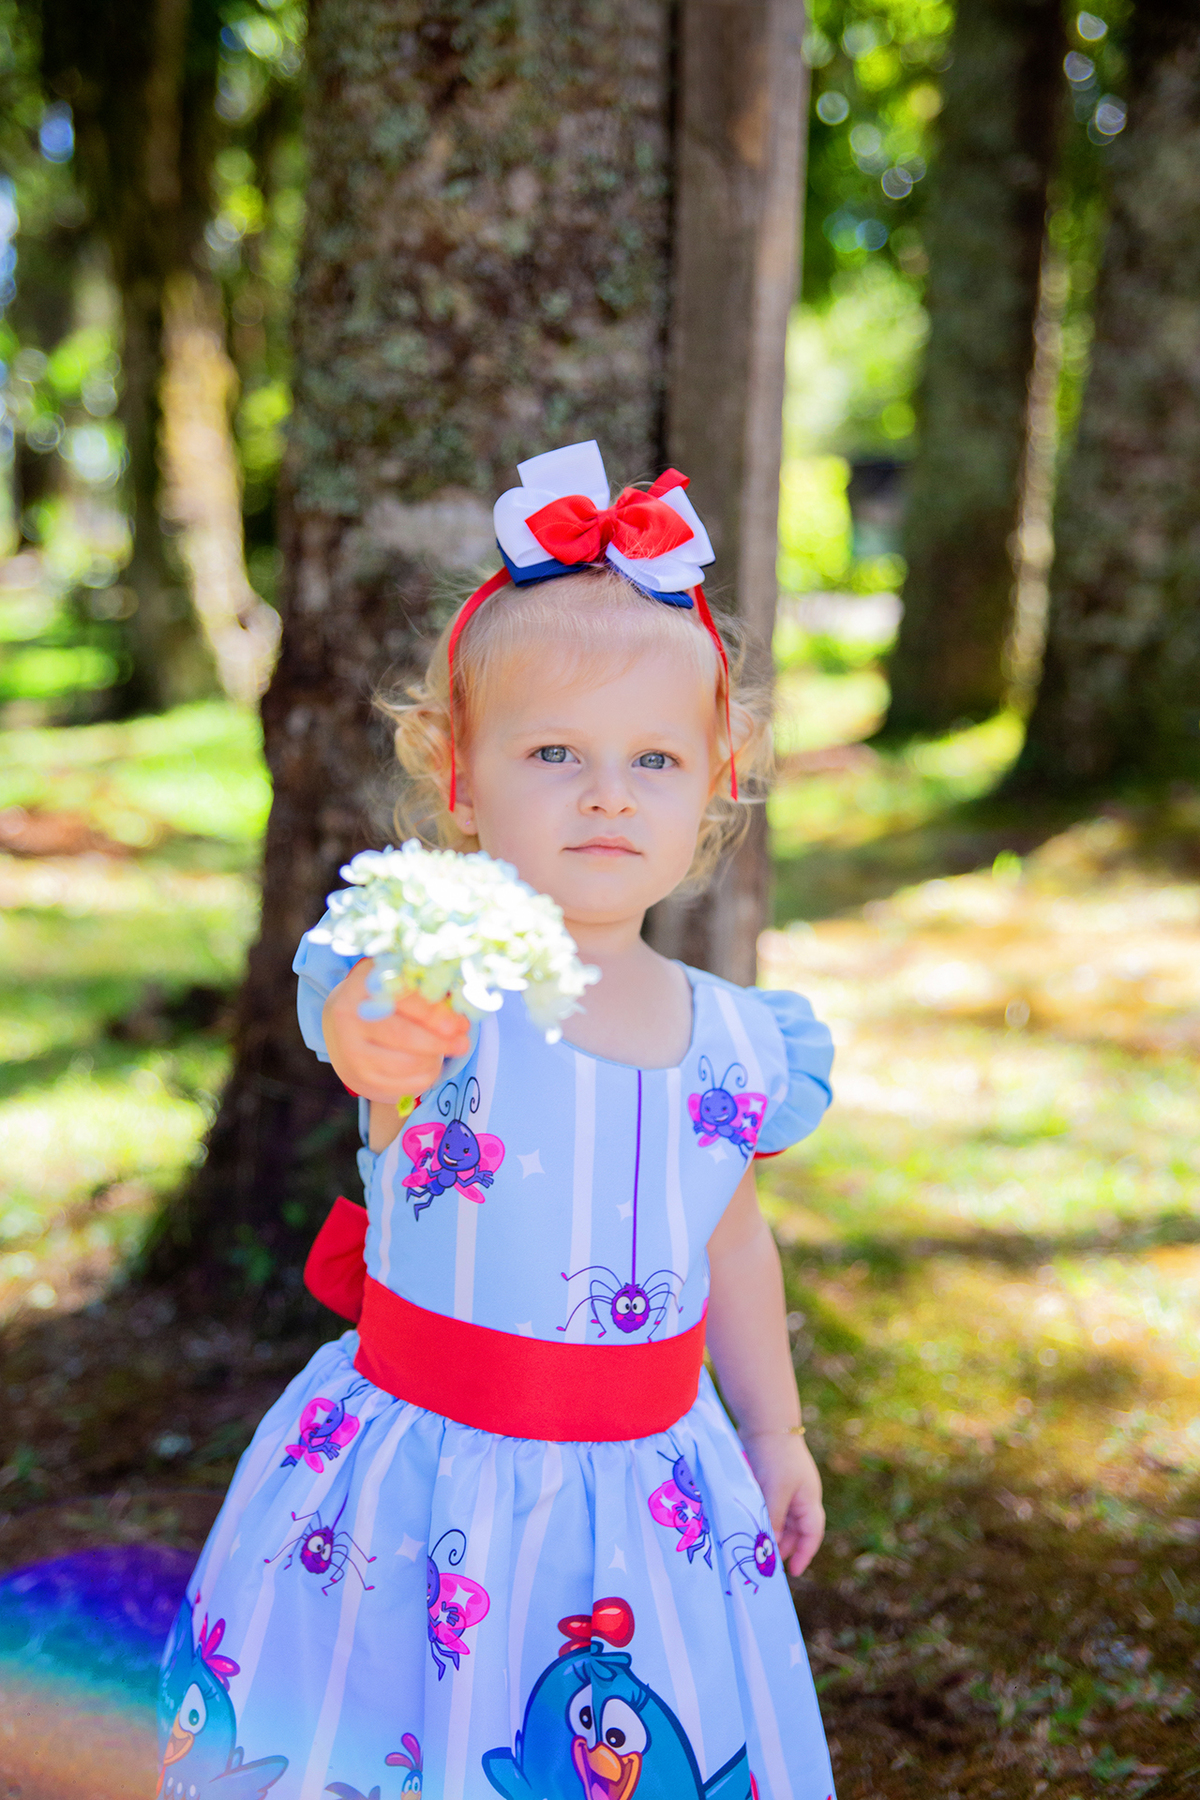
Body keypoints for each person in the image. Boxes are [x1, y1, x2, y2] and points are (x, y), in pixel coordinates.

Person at [158, 442, 836, 1800]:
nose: (606, 792)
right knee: (389, 1734)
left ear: (717, 779)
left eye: (653, 757)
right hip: (421, 1477)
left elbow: (732, 1247)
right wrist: (375, 1022)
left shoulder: (737, 1037)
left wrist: (774, 1429)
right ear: (458, 773)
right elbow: (357, 1023)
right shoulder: (430, 967)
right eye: (554, 753)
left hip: (648, 1493)